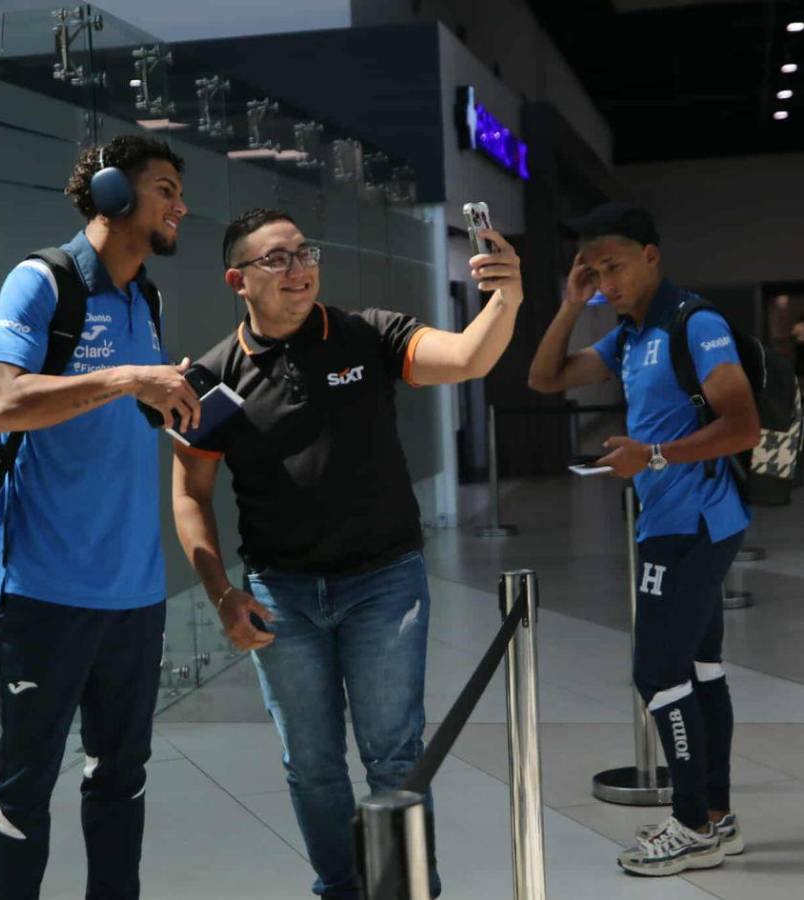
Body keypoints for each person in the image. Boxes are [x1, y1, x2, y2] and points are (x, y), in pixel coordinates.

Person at [170, 208, 524, 899]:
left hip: (384, 584)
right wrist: (222, 593)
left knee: (394, 757)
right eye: (277, 259)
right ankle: (341, 889)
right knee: (311, 765)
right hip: (281, 596)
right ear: (238, 280)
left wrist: (506, 297)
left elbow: (469, 357)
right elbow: (189, 496)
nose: (299, 269)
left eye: (305, 253)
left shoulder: (368, 334)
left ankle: (405, 891)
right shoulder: (215, 378)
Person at [0, 134, 199, 900]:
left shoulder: (146, 297)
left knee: (121, 777)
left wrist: (169, 396)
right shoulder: (41, 282)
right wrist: (127, 377)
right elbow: (4, 403)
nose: (180, 207)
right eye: (166, 189)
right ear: (113, 194)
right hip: (45, 586)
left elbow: (120, 414)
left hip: (135, 589)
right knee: (24, 786)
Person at [529, 202, 761, 878]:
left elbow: (743, 425)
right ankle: (715, 817)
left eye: (616, 268)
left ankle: (690, 824)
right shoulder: (628, 334)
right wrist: (571, 305)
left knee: (657, 672)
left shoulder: (695, 323)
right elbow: (544, 378)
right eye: (594, 272)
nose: (608, 283)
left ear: (651, 256)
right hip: (674, 517)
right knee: (702, 667)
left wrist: (652, 456)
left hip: (693, 523)